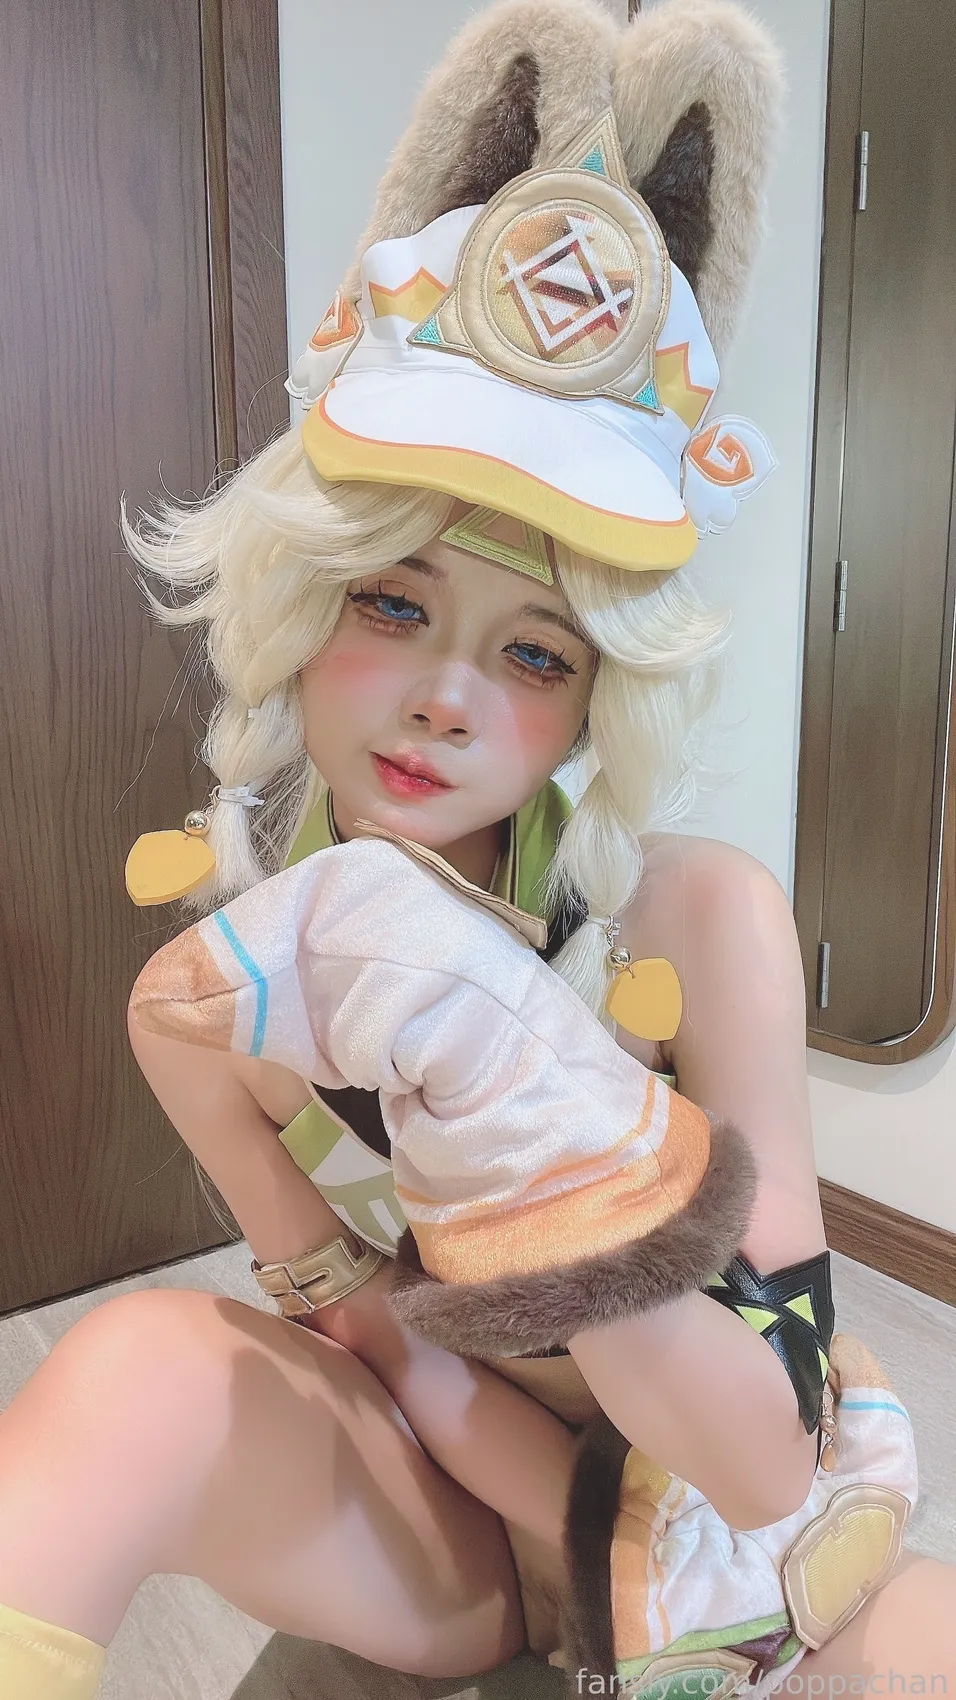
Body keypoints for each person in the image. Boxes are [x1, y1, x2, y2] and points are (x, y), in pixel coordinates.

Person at [0, 1, 952, 1695]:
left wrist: (509, 1070)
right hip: (464, 1509)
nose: (447, 698)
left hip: (731, 1523)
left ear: (594, 701)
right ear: (301, 604)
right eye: (391, 604)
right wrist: (559, 1557)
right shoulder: (229, 991)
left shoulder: (701, 921)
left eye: (532, 653)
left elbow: (764, 1460)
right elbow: (375, 1343)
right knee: (133, 1372)